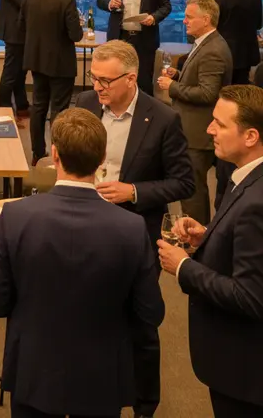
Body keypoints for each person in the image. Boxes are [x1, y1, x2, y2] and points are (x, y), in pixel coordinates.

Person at [0, 108, 165, 418]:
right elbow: (151, 312)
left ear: (54, 155)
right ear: (102, 158)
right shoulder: (131, 228)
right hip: (102, 378)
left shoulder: (15, 217)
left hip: (33, 372)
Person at [73, 40, 194, 417]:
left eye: (105, 81)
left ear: (131, 78)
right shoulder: (84, 105)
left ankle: (144, 403)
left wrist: (135, 191)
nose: (97, 87)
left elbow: (183, 182)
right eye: (93, 78)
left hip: (135, 235)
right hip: (82, 229)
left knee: (139, 322)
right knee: (86, 315)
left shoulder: (161, 118)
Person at [158, 85, 263, 418]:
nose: (208, 130)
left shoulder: (256, 202)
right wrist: (209, 238)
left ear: (250, 136)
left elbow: (251, 296)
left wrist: (184, 267)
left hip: (245, 373)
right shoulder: (245, 178)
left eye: (219, 123)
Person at [158, 0, 232, 225]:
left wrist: (173, 87)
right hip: (194, 129)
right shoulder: (205, 43)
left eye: (189, 17)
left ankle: (194, 239)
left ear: (206, 19)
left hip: (198, 133)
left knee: (193, 189)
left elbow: (209, 94)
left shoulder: (213, 50)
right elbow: (202, 82)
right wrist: (179, 76)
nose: (184, 22)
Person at [19, 0, 83, 164]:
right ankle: (58, 155)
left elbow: (21, 27)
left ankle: (38, 153)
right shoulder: (66, 0)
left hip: (36, 61)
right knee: (59, 110)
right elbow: (76, 36)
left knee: (38, 107)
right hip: (60, 65)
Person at [97, 0, 171, 95]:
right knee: (117, 78)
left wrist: (154, 17)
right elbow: (100, 0)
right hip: (119, 37)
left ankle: (143, 116)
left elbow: (166, 6)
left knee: (143, 82)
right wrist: (110, 3)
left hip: (145, 38)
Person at [0, 0, 34, 121]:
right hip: (14, 31)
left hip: (19, 31)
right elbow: (22, 1)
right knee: (11, 73)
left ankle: (22, 107)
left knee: (20, 72)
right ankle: (4, 109)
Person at [210, 0, 262, 86]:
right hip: (247, 54)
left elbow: (211, 27)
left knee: (226, 93)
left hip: (224, 55)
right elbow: (259, 24)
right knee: (241, 92)